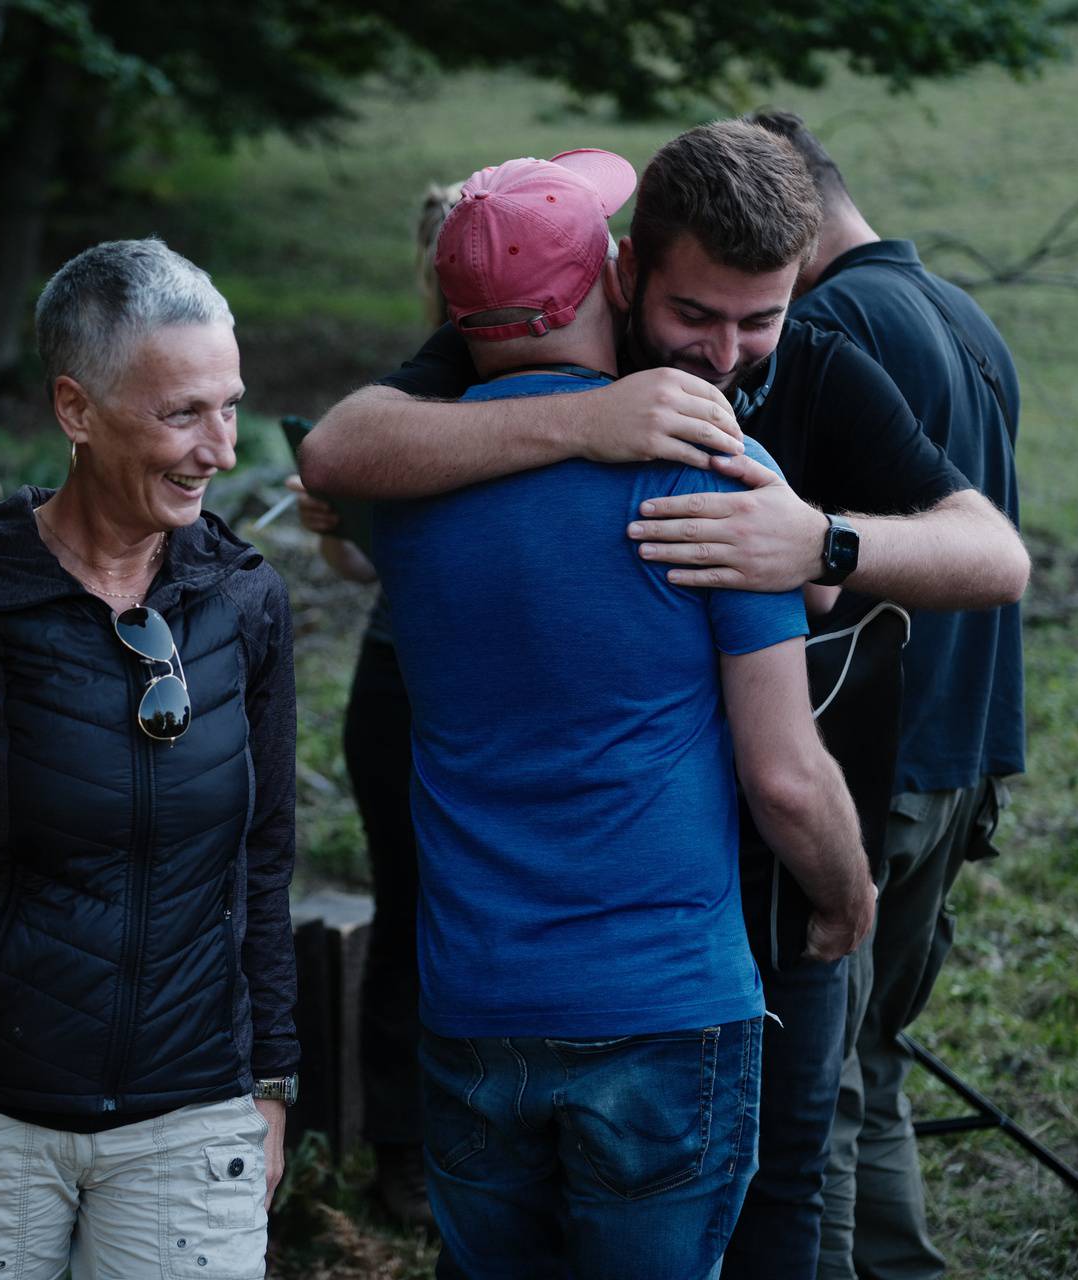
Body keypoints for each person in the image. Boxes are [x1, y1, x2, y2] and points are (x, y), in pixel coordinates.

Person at [297, 120, 1031, 1280]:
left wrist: (816, 539)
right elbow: (339, 448)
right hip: (659, 915)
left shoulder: (822, 372)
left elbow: (996, 558)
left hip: (739, 892)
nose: (728, 355)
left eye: (761, 319)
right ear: (626, 272)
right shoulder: (532, 359)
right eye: (696, 317)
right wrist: (591, 417)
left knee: (787, 1176)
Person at [364, 149, 876, 1279]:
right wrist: (847, 892)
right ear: (611, 277)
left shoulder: (397, 491)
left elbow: (341, 463)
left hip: (473, 1001)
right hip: (662, 1004)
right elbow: (785, 773)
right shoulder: (706, 467)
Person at [0, 238, 299, 1280]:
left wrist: (270, 1084)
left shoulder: (244, 602)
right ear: (76, 410)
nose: (218, 448)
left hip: (194, 1117)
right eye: (182, 413)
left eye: (230, 405)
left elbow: (263, 859)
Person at [747, 109, 1025, 1280]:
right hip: (966, 747)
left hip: (871, 762)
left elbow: (785, 565)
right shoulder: (964, 311)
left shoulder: (825, 330)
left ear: (793, 218)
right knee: (874, 1052)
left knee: (824, 1084)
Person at [279, 178, 465, 1229]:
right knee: (407, 910)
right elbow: (357, 568)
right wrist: (330, 520)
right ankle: (404, 1145)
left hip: (517, 690)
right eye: (446, 263)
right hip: (403, 679)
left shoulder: (576, 378)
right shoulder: (402, 396)